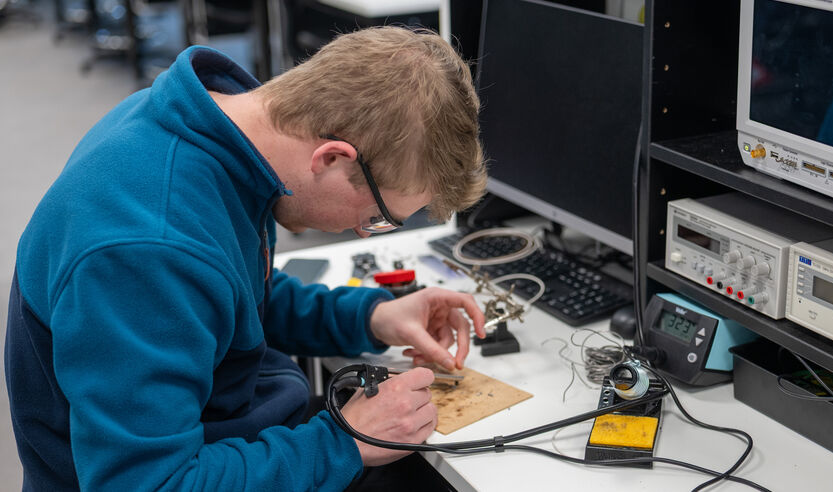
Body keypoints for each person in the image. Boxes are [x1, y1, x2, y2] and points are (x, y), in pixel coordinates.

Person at [5, 26, 488, 491]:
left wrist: (372, 315)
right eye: (378, 215)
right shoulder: (149, 247)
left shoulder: (213, 130)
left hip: (228, 427)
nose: (364, 230)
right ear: (332, 159)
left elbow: (229, 300)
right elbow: (147, 484)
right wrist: (344, 441)